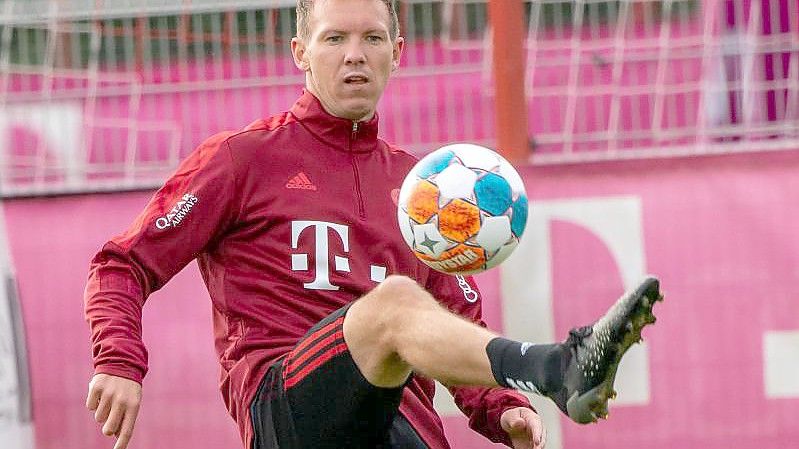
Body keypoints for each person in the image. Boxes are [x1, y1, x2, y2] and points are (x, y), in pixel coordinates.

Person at [83, 1, 662, 448]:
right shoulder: (242, 160)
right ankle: (555, 367)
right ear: (300, 52)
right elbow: (121, 263)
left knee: (404, 310)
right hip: (287, 410)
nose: (354, 54)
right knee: (394, 304)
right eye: (334, 38)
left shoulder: (422, 190)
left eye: (371, 38)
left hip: (400, 427)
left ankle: (537, 382)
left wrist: (498, 408)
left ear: (398, 51)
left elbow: (457, 324)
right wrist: (118, 360)